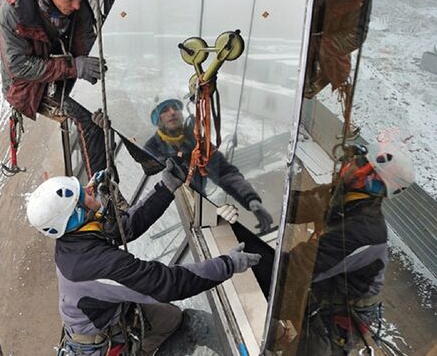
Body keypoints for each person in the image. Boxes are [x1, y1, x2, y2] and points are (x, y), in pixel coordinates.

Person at [26, 159, 261, 356]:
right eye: (83, 193)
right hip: (100, 339)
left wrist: (167, 186)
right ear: (77, 213)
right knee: (166, 315)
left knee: (171, 318)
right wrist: (228, 264)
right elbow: (167, 284)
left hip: (110, 313)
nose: (90, 188)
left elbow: (125, 226)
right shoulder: (94, 265)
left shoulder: (77, 236)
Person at [273, 142, 414, 355]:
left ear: (370, 180)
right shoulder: (340, 197)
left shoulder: (363, 232)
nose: (348, 164)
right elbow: (294, 206)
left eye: (359, 162)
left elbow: (296, 268)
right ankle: (277, 336)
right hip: (324, 286)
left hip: (341, 315)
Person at [0, 0, 105, 178]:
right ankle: (101, 192)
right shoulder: (12, 13)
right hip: (30, 83)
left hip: (60, 62)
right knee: (87, 118)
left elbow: (86, 44)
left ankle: (144, 158)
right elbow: (19, 67)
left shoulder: (76, 2)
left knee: (102, 106)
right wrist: (74, 67)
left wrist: (96, 80)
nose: (77, 5)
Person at [140, 98, 273, 235]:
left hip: (200, 205)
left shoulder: (196, 141)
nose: (172, 112)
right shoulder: (152, 149)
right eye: (165, 110)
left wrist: (250, 199)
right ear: (158, 119)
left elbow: (224, 172)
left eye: (175, 108)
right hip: (172, 214)